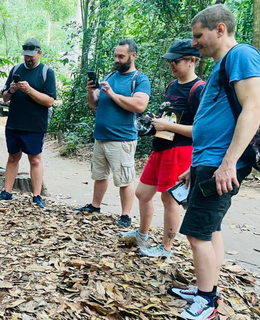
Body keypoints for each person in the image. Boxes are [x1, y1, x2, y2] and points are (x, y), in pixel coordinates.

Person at [166, 5, 260, 320]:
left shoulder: (240, 55)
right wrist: (193, 170)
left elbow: (253, 107)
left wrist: (229, 162)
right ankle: (207, 286)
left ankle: (207, 302)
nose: (194, 43)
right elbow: (215, 120)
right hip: (208, 162)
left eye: (198, 35)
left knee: (197, 233)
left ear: (219, 29)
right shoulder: (221, 66)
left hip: (222, 162)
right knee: (211, 228)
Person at [118, 40, 205, 258]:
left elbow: (201, 130)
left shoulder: (198, 89)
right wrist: (155, 123)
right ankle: (142, 234)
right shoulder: (172, 85)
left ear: (192, 60)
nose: (171, 66)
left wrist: (167, 126)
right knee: (142, 193)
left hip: (180, 151)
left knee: (170, 199)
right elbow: (170, 118)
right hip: (161, 147)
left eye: (176, 61)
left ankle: (166, 248)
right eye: (170, 62)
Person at [76, 40, 151, 227]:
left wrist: (112, 95)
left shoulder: (140, 80)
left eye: (121, 56)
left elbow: (140, 105)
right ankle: (95, 205)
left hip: (122, 138)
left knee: (124, 179)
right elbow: (95, 104)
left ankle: (125, 215)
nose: (117, 60)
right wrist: (91, 91)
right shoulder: (110, 76)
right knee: (99, 175)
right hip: (101, 136)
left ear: (133, 56)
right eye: (116, 56)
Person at [0, 38, 56, 208]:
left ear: (39, 53)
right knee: (13, 157)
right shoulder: (16, 69)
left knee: (35, 159)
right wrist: (11, 90)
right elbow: (5, 98)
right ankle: (7, 192)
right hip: (14, 122)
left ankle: (36, 195)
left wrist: (29, 90)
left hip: (35, 125)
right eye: (26, 56)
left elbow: (49, 100)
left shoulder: (46, 73)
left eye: (31, 56)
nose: (28, 59)